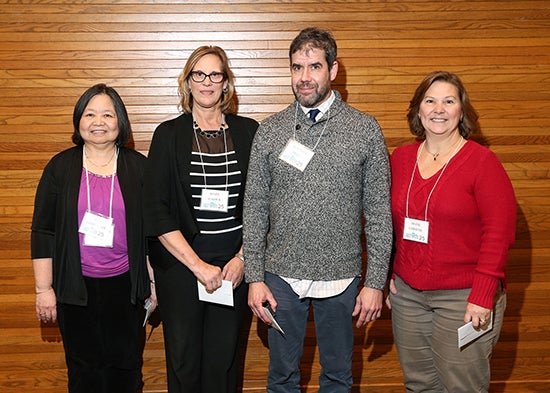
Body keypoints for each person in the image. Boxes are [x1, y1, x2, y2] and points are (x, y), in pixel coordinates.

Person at [243, 27, 393, 393]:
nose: (304, 77)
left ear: (333, 70)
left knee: (338, 378)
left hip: (341, 277)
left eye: (314, 67)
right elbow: (254, 206)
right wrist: (254, 276)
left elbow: (378, 213)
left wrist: (374, 282)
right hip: (280, 276)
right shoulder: (271, 130)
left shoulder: (364, 129)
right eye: (297, 68)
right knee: (281, 378)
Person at [386, 71, 516, 392]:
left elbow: (499, 233)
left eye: (448, 101)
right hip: (408, 297)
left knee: (462, 386)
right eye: (430, 100)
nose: (438, 109)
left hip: (464, 298)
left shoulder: (482, 162)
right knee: (419, 384)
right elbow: (389, 223)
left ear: (461, 110)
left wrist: (483, 295)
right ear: (418, 109)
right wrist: (389, 271)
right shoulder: (400, 159)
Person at [143, 45, 259, 393]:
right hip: (180, 267)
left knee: (223, 361)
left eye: (215, 74)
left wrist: (241, 259)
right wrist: (197, 266)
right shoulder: (168, 134)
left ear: (226, 82)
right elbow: (156, 210)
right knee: (184, 359)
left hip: (232, 269)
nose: (207, 82)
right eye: (199, 74)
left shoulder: (248, 132)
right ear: (188, 81)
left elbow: (263, 203)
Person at [31, 83, 157, 393]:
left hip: (126, 286)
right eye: (89, 114)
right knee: (83, 370)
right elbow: (43, 231)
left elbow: (152, 233)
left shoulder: (139, 167)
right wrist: (43, 289)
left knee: (125, 367)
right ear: (78, 121)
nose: (98, 122)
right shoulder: (60, 168)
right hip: (75, 287)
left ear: (120, 122)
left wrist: (153, 284)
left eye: (107, 114)